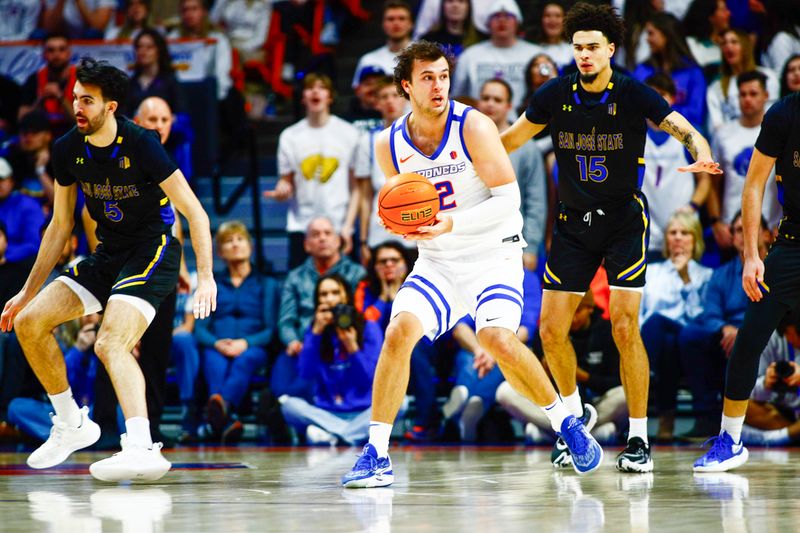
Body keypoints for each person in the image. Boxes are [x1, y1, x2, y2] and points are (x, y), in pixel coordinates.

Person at [342, 40, 604, 489]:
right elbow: (405, 208)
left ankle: (568, 423)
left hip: (494, 253)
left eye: (443, 75)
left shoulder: (474, 126)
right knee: (398, 332)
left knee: (497, 338)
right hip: (439, 261)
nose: (438, 85)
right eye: (427, 77)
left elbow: (509, 201)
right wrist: (408, 226)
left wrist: (449, 222)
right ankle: (377, 452)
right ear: (406, 86)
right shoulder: (387, 144)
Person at [501, 2, 721, 473]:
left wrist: (700, 151)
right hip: (573, 223)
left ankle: (639, 439)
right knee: (550, 331)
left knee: (624, 326)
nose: (584, 55)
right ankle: (574, 425)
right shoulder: (554, 94)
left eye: (593, 48)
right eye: (578, 47)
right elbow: (509, 141)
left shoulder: (633, 93)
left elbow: (683, 128)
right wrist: (460, 164)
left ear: (610, 49)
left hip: (624, 220)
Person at [0, 58, 216, 482]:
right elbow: (60, 227)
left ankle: (142, 446)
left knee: (110, 342)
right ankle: (70, 424)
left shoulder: (143, 144)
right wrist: (28, 290)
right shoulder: (66, 149)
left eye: (88, 100)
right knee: (29, 322)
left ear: (110, 107)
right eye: (75, 98)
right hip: (109, 253)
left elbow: (195, 212)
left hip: (153, 250)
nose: (78, 107)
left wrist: (205, 275)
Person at [693, 74, 800, 472]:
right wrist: (752, 254)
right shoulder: (784, 114)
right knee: (749, 337)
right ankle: (730, 441)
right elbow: (753, 186)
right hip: (791, 242)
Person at [679, 211, 772, 439]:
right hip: (727, 335)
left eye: (752, 227)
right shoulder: (720, 275)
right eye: (739, 230)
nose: (745, 234)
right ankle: (706, 417)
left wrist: (744, 331)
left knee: (747, 344)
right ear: (732, 238)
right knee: (691, 335)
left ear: (768, 234)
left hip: (768, 335)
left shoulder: (778, 269)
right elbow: (710, 314)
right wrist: (725, 328)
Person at [194, 221, 279, 442]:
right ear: (220, 252)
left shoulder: (266, 284)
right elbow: (200, 329)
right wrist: (217, 343)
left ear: (250, 246)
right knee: (212, 359)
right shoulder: (212, 285)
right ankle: (226, 418)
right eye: (228, 241)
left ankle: (219, 411)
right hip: (218, 346)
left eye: (240, 239)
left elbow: (271, 330)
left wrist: (245, 343)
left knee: (246, 359)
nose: (235, 245)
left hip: (253, 348)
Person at [265, 73, 361, 268]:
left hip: (338, 224)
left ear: (330, 97)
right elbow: (286, 180)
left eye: (321, 87)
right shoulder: (290, 136)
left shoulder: (350, 133)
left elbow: (357, 186)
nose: (315, 91)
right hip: (301, 225)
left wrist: (348, 227)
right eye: (310, 88)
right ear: (303, 97)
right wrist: (282, 189)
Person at [280, 273, 384, 446]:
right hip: (326, 411)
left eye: (335, 293)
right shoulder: (315, 330)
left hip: (364, 411)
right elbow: (305, 373)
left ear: (347, 296)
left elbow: (368, 380)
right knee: (289, 405)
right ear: (317, 300)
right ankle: (351, 435)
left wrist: (352, 347)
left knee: (400, 402)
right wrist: (316, 333)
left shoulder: (368, 327)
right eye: (324, 294)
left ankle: (332, 435)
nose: (330, 299)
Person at [271, 217, 366, 401]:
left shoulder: (356, 273)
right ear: (306, 245)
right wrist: (292, 342)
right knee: (280, 387)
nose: (322, 239)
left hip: (344, 343)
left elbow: (361, 315)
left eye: (327, 233)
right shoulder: (295, 277)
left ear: (338, 241)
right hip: (304, 343)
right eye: (315, 235)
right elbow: (286, 320)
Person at [639, 211, 712, 441]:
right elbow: (639, 315)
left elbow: (699, 319)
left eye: (685, 233)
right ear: (666, 239)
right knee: (659, 331)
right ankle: (648, 363)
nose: (678, 238)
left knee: (668, 332)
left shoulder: (706, 275)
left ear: (695, 239)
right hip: (658, 343)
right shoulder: (651, 272)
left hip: (689, 348)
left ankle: (649, 376)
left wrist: (686, 279)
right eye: (673, 233)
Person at [476, 78, 547, 272]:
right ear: (478, 103)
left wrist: (530, 246)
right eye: (485, 98)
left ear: (509, 106)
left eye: (497, 100)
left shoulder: (526, 147)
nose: (490, 103)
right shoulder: (464, 140)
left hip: (511, 241)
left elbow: (536, 201)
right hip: (473, 241)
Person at [708, 71, 781, 253]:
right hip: (731, 229)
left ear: (766, 96)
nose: (747, 99)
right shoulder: (723, 134)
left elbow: (788, 180)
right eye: (742, 94)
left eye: (753, 93)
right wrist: (716, 222)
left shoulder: (779, 131)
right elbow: (712, 183)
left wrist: (783, 222)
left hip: (770, 227)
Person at [640, 73, 710, 260]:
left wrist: (692, 206)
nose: (655, 99)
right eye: (650, 94)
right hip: (645, 230)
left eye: (661, 94)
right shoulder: (632, 134)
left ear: (672, 98)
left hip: (681, 229)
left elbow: (704, 180)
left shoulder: (689, 134)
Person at [354, 76, 414, 260]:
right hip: (379, 231)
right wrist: (363, 240)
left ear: (406, 99)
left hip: (415, 230)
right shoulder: (368, 140)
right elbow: (365, 196)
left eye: (395, 95)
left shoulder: (422, 137)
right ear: (377, 103)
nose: (390, 101)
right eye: (384, 97)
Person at [451, 0, 541, 110]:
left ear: (517, 22)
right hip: (477, 122)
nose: (502, 21)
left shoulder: (535, 55)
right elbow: (457, 97)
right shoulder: (470, 55)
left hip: (524, 121)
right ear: (488, 23)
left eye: (508, 16)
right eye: (496, 16)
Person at [632, 12, 707, 131]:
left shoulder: (692, 72)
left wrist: (661, 112)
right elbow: (632, 107)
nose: (647, 39)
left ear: (666, 34)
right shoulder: (642, 70)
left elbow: (696, 114)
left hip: (682, 135)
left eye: (651, 33)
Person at [705, 28, 779, 133]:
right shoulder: (716, 87)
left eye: (734, 42)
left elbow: (774, 114)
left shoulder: (768, 77)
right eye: (724, 43)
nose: (728, 46)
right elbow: (715, 126)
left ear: (745, 46)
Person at [18, 33, 75, 136]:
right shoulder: (34, 79)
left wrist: (61, 97)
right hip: (42, 137)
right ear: (43, 55)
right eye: (51, 50)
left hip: (73, 136)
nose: (56, 55)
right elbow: (22, 120)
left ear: (69, 53)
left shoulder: (82, 79)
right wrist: (41, 99)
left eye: (61, 49)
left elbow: (83, 122)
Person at [351, 1, 413, 90]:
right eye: (390, 19)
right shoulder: (368, 60)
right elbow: (360, 93)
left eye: (402, 18)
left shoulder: (425, 56)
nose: (396, 23)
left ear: (411, 24)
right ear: (383, 24)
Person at [125, 28, 185, 117]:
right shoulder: (131, 83)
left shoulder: (170, 81)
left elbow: (183, 116)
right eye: (139, 47)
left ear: (159, 51)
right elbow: (123, 117)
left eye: (149, 47)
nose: (143, 51)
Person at [42, 0, 115, 39]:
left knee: (91, 33)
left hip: (98, 39)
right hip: (67, 36)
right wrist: (61, 1)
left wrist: (78, 1)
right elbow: (50, 28)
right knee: (40, 35)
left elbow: (97, 27)